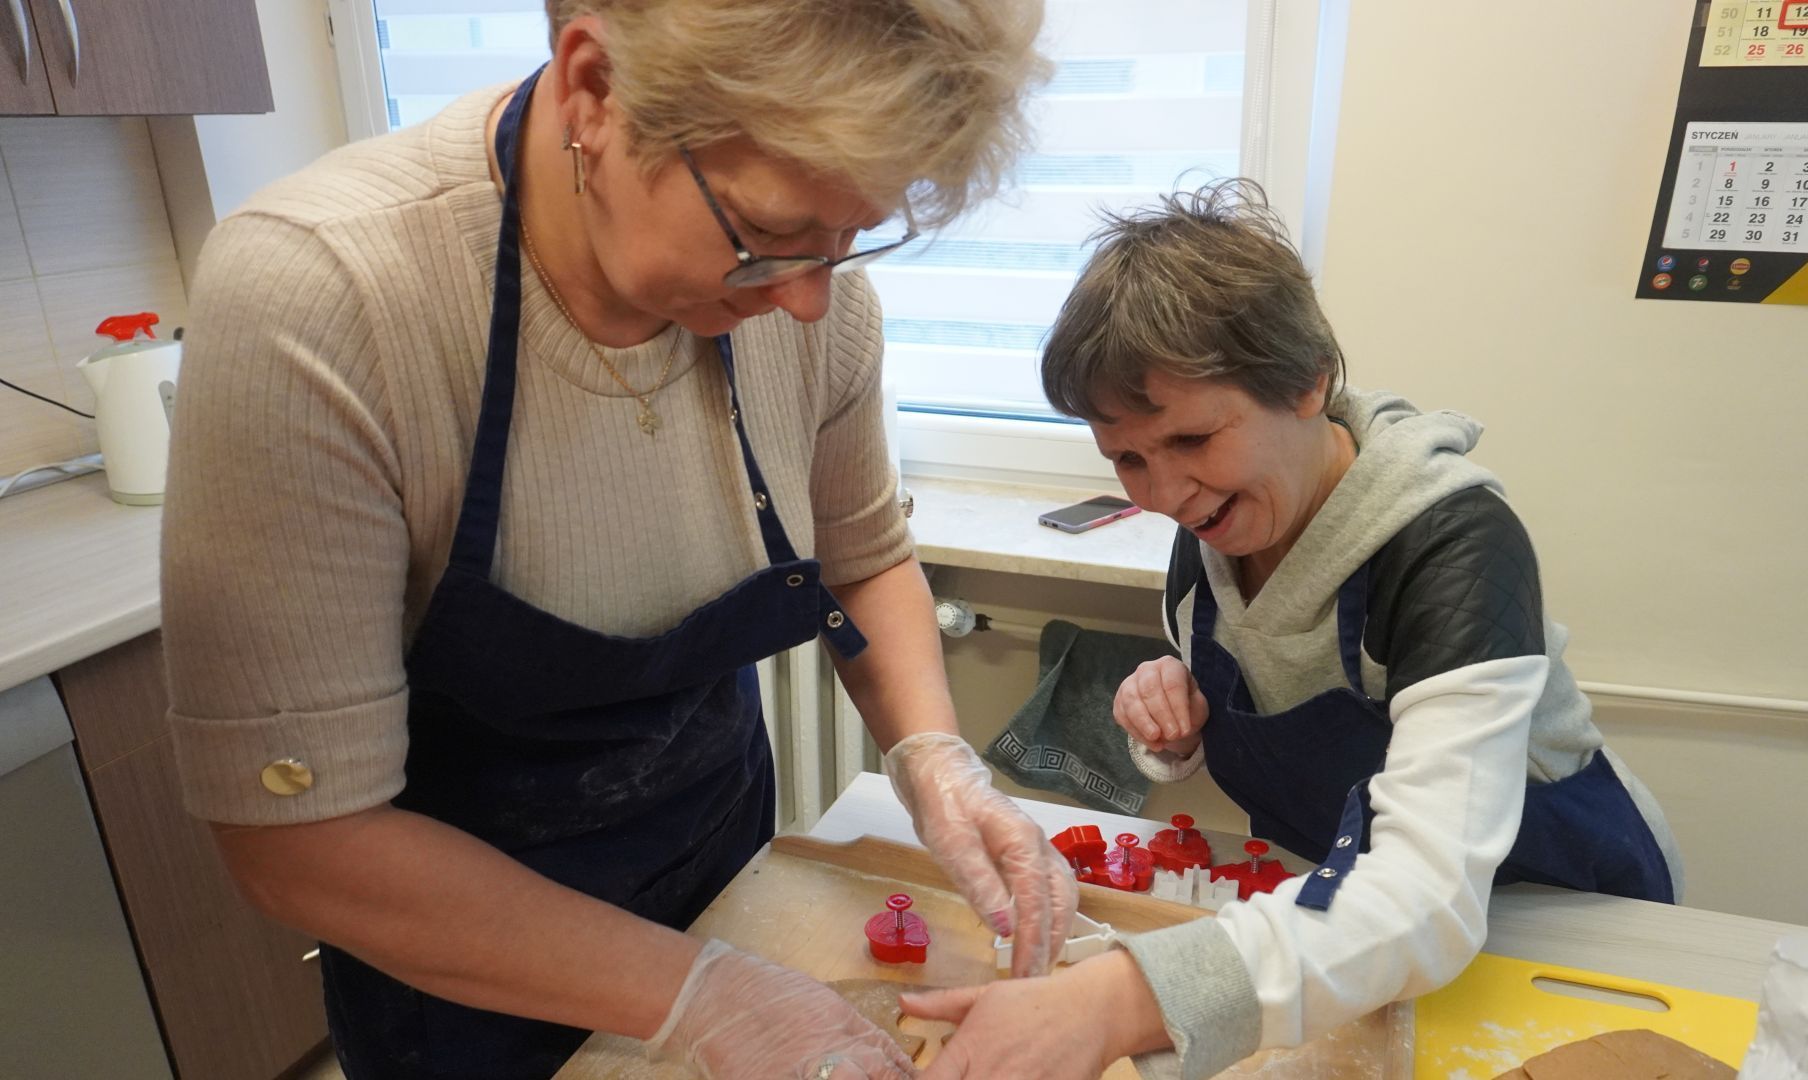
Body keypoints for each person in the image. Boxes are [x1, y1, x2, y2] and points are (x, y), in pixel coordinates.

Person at [160, 3, 1075, 1077]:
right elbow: (296, 844)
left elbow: (862, 556)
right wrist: (693, 993)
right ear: (593, 85)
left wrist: (932, 752)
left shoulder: (810, 299)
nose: (810, 299)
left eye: (854, 236)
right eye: (764, 236)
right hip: (460, 980)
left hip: (725, 873)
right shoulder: (323, 302)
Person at [900, 180, 1684, 1079]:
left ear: (1309, 381)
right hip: (1356, 925)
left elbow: (1430, 894)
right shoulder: (1218, 525)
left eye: (1193, 440)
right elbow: (1266, 684)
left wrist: (1127, 998)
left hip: (1552, 922)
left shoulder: (1454, 548)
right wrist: (1175, 720)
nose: (1161, 493)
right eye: (1126, 457)